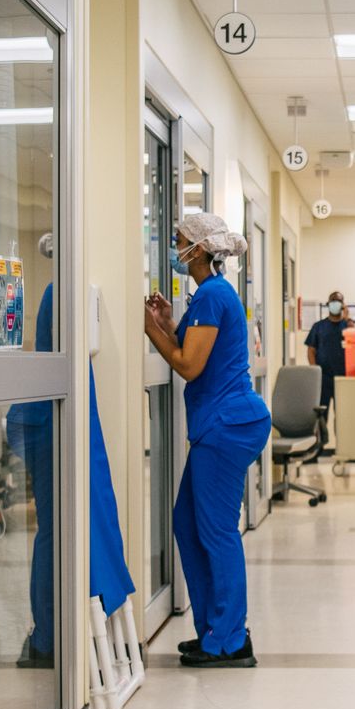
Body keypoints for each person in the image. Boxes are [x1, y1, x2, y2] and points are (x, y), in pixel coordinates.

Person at [144, 212, 272, 668]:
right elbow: (196, 346)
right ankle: (214, 629)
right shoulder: (209, 296)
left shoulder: (215, 293)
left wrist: (149, 327)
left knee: (216, 531)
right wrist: (167, 322)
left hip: (228, 425)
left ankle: (232, 639)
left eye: (179, 241)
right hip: (221, 422)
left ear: (198, 250)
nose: (174, 246)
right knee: (186, 522)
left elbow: (188, 364)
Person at [304, 291, 353, 409]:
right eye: (333, 301)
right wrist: (315, 370)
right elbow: (311, 350)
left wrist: (347, 319)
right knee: (321, 414)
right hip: (323, 378)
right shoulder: (319, 326)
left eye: (338, 301)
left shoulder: (348, 325)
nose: (335, 304)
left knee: (343, 414)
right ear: (328, 304)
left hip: (343, 378)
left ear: (343, 305)